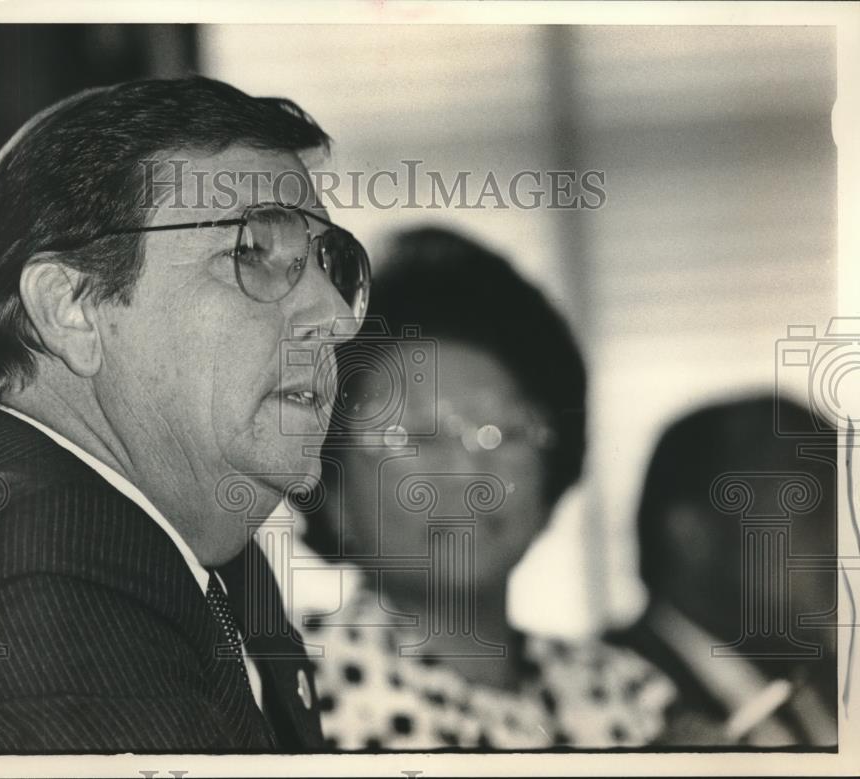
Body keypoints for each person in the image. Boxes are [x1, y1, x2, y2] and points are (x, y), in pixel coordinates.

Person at [0, 76, 371, 753]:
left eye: (330, 263)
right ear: (73, 307)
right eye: (256, 252)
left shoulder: (191, 546)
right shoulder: (36, 569)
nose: (335, 317)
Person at [297, 228, 675, 750]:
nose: (467, 473)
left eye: (502, 431)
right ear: (331, 489)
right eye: (413, 436)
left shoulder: (632, 699)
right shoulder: (289, 693)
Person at [608, 396, 838, 747]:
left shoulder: (829, 683)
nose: (842, 536)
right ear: (691, 534)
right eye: (812, 503)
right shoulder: (607, 704)